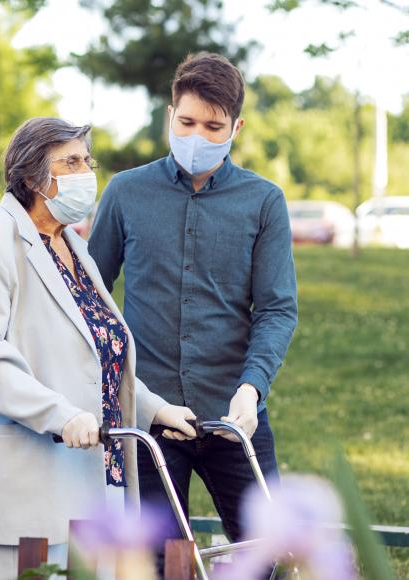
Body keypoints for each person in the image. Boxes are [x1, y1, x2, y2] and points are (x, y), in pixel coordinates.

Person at [0, 117, 196, 580]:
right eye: (71, 162)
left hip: (93, 477)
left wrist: (156, 410)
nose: (86, 172)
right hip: (23, 481)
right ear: (29, 177)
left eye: (87, 160)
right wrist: (61, 415)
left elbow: (100, 357)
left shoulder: (72, 246)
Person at [88, 52, 298, 572]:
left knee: (265, 556)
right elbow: (89, 300)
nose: (197, 136)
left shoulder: (264, 201)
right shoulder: (125, 193)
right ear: (170, 116)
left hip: (235, 417)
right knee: (159, 564)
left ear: (236, 127)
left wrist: (252, 389)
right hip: (150, 417)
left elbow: (276, 308)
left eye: (213, 126)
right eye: (186, 122)